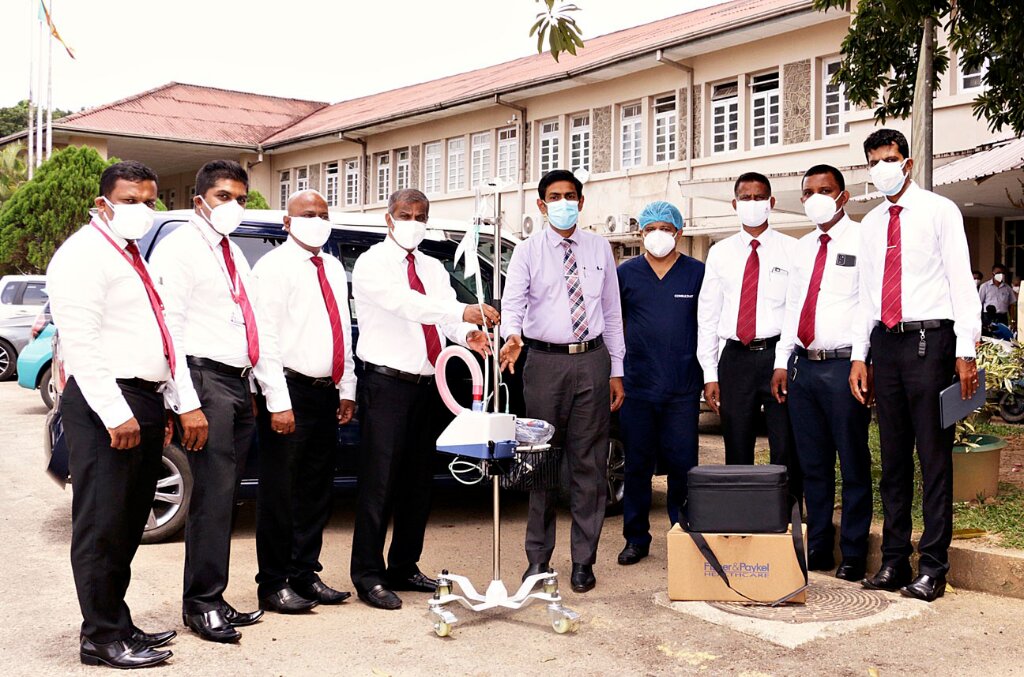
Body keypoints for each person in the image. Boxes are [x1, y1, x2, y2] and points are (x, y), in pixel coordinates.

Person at [48, 161, 186, 668]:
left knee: (129, 523)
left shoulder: (128, 254)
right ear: (104, 202)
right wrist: (115, 413)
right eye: (131, 200)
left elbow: (153, 334)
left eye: (150, 200)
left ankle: (118, 622)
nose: (143, 210)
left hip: (143, 398)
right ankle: (100, 637)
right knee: (102, 525)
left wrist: (163, 401)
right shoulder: (83, 255)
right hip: (109, 402)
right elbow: (81, 343)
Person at [151, 160, 293, 641]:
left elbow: (259, 327)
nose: (232, 206)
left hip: (237, 382)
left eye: (239, 197)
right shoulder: (180, 251)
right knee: (211, 497)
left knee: (226, 496)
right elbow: (171, 329)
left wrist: (273, 395)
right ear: (199, 201)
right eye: (222, 197)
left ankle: (214, 594)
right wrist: (185, 402)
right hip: (202, 377)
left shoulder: (232, 252)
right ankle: (201, 604)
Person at [350, 188, 497, 610]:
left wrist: (467, 334)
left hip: (428, 384)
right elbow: (406, 305)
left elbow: (445, 315)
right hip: (387, 385)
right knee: (379, 483)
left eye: (420, 215)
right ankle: (369, 575)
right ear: (388, 217)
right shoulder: (372, 263)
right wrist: (461, 313)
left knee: (418, 483)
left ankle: (404, 564)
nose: (413, 221)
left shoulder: (433, 266)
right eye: (405, 214)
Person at [851, 129, 981, 602]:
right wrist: (859, 355)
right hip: (885, 344)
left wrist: (965, 350)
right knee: (892, 460)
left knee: (933, 459)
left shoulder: (939, 211)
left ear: (906, 162)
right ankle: (892, 561)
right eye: (873, 161)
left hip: (931, 342)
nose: (881, 167)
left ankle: (933, 567)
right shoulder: (870, 224)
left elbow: (960, 282)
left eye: (889, 158)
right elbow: (866, 295)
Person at [499, 169, 626, 593]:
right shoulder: (527, 251)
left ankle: (583, 562)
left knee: (589, 464)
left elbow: (611, 312)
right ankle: (538, 560)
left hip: (591, 361)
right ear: (541, 205)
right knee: (539, 462)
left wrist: (617, 369)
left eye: (571, 195)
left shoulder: (599, 248)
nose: (564, 202)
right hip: (545, 364)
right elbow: (512, 303)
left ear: (582, 201)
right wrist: (511, 336)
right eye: (555, 196)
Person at [251, 189, 356, 613]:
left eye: (323, 213)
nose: (316, 219)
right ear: (288, 223)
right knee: (280, 493)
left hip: (324, 392)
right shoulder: (273, 267)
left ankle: (304, 574)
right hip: (288, 391)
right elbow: (266, 338)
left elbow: (341, 331)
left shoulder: (331, 265)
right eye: (306, 214)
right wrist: (278, 401)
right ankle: (273, 583)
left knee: (316, 490)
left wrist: (346, 387)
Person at [771, 165, 872, 581]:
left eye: (825, 190)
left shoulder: (864, 239)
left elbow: (868, 305)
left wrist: (862, 359)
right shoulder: (802, 246)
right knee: (812, 465)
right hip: (803, 368)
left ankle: (852, 552)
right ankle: (818, 548)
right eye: (808, 191)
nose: (816, 197)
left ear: (843, 196)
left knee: (852, 463)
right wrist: (781, 360)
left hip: (844, 367)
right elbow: (793, 307)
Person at [696, 172, 802, 502]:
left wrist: (783, 362)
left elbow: (794, 312)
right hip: (735, 359)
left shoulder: (792, 249)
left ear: (771, 203)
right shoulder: (720, 252)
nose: (752, 204)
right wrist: (710, 374)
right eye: (745, 198)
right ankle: (740, 515)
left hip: (778, 357)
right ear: (734, 203)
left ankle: (785, 518)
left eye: (759, 198)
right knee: (736, 444)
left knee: (785, 445)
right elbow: (708, 315)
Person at [615, 201, 704, 565]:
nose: (658, 235)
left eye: (666, 228)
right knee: (637, 465)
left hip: (683, 386)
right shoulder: (626, 274)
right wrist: (615, 374)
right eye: (651, 228)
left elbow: (709, 324)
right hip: (637, 384)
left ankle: (683, 534)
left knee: (684, 465)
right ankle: (636, 538)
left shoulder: (697, 273)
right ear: (640, 234)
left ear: (679, 233)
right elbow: (612, 325)